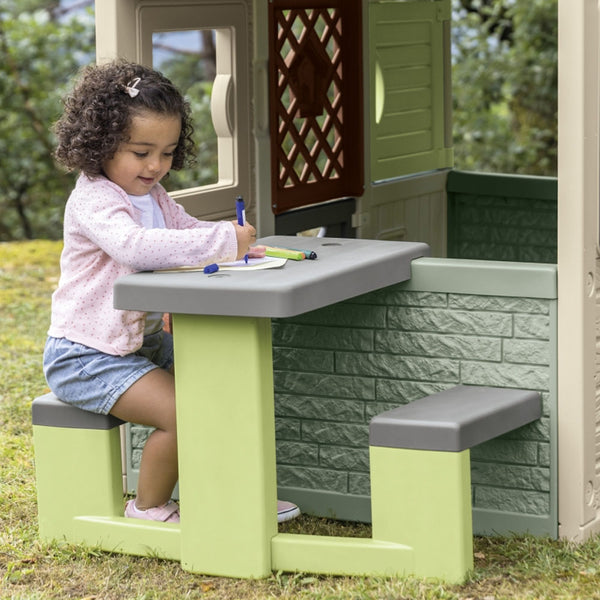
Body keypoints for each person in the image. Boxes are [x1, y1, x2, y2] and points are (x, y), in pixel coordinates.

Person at [43, 59, 300, 524]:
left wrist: (237, 249)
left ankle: (235, 490)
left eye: (166, 152)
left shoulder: (152, 195)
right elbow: (136, 247)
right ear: (100, 142)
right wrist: (222, 240)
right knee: (186, 410)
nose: (156, 166)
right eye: (141, 152)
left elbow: (184, 230)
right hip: (86, 356)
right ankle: (149, 509)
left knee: (227, 386)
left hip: (142, 345)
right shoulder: (96, 198)